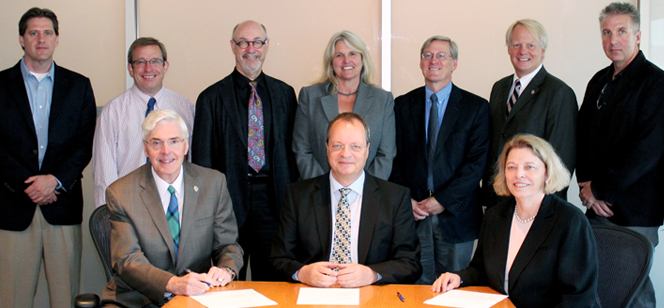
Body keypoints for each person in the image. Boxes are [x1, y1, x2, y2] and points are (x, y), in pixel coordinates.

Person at [0, 8, 97, 308]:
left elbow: (84, 144)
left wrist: (53, 181)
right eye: (33, 32)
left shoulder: (79, 86)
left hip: (62, 206)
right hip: (13, 205)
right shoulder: (1, 85)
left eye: (47, 32)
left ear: (57, 39)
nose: (41, 39)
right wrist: (30, 184)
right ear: (21, 39)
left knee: (66, 298)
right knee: (13, 298)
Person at [432, 135, 599, 308]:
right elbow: (481, 271)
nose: (519, 174)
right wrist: (459, 278)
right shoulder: (495, 216)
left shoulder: (570, 220)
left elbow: (579, 298)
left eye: (529, 167)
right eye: (511, 167)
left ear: (547, 173)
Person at [101, 110, 243, 308]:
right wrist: (173, 284)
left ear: (186, 145)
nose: (166, 151)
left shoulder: (213, 183)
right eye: (157, 143)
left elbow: (228, 245)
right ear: (145, 149)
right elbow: (127, 260)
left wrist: (226, 269)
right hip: (137, 299)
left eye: (174, 141)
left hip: (197, 297)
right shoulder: (121, 193)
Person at [192, 20, 298, 281]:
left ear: (266, 46)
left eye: (257, 42)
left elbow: (294, 154)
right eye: (243, 42)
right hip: (227, 203)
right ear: (233, 46)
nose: (251, 48)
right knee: (226, 280)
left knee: (273, 280)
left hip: (273, 203)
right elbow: (202, 162)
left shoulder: (285, 94)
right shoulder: (210, 98)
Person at [577, 3, 664, 307]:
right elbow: (583, 138)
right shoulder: (599, 81)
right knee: (598, 287)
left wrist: (601, 190)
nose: (613, 40)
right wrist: (586, 187)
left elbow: (646, 150)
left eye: (622, 31)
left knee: (633, 291)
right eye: (606, 32)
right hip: (595, 207)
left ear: (638, 35)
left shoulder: (656, 83)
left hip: (635, 209)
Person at [271, 113, 421, 287]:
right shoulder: (298, 195)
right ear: (327, 147)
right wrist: (302, 273)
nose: (345, 154)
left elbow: (411, 264)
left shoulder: (395, 198)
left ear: (367, 149)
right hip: (312, 295)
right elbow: (277, 259)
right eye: (337, 145)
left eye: (355, 147)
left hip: (371, 296)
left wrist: (372, 275)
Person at [390, 36, 489, 285]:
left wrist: (442, 200)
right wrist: (407, 200)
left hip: (457, 216)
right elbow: (394, 158)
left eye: (441, 55)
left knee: (455, 290)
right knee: (415, 290)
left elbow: (476, 164)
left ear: (454, 63)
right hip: (414, 216)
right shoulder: (402, 105)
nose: (434, 61)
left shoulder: (476, 107)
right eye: (427, 55)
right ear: (421, 62)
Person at [482, 19, 577, 206]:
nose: (522, 51)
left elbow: (562, 157)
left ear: (542, 50)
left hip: (538, 204)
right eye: (516, 45)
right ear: (508, 49)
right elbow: (493, 145)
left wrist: (547, 206)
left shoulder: (559, 92)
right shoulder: (499, 88)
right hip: (498, 201)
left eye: (530, 45)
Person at [93, 37, 195, 208]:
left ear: (165, 66)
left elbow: (193, 163)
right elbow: (104, 174)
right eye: (140, 62)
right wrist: (107, 218)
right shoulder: (113, 112)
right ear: (130, 69)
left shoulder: (185, 108)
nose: (148, 68)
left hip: (176, 206)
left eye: (155, 61)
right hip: (129, 206)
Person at [293, 30, 395, 180]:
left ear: (362, 59)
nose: (346, 60)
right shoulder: (310, 97)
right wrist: (323, 189)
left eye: (352, 54)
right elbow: (302, 149)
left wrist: (365, 190)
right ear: (331, 62)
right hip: (319, 194)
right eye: (339, 55)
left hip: (368, 197)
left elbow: (385, 154)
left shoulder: (382, 99)